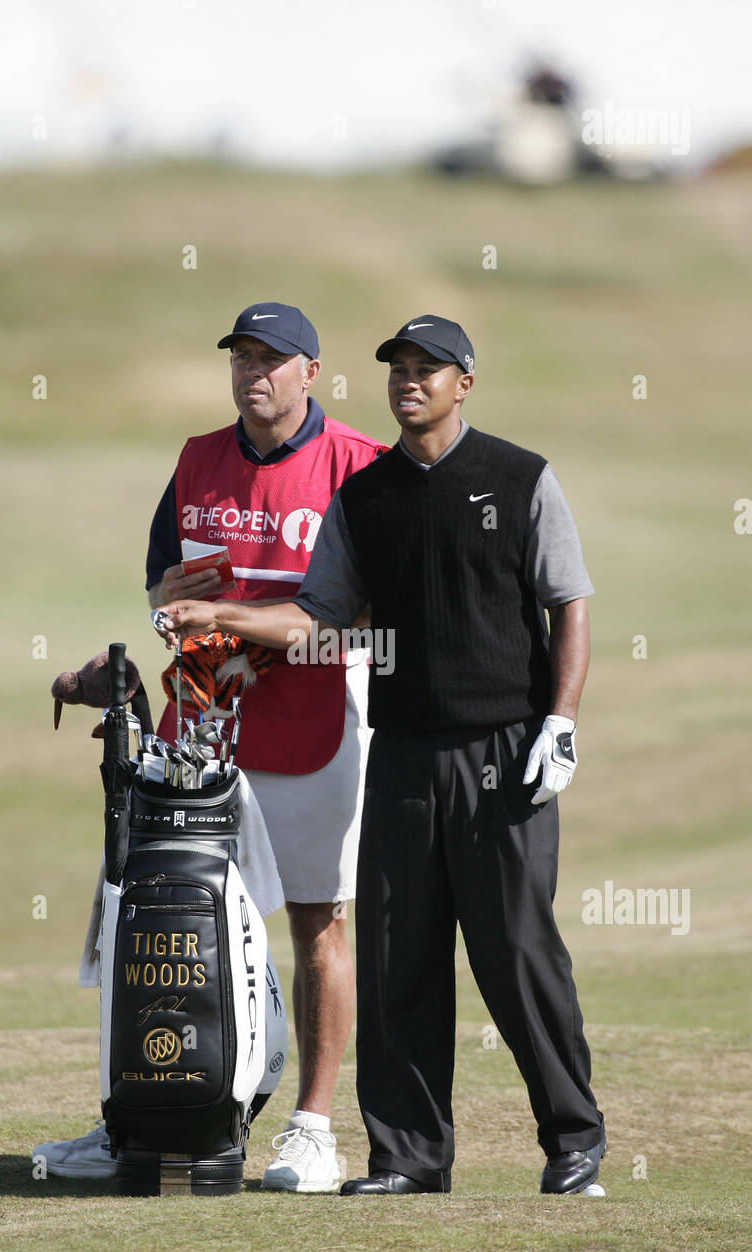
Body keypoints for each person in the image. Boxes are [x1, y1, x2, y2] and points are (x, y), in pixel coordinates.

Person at [155, 313, 606, 1197]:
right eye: (398, 368)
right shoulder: (365, 496)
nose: (409, 381)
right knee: (399, 954)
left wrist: (562, 720)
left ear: (462, 383)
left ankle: (574, 1141)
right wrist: (230, 626)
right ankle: (408, 1157)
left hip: (503, 749)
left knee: (515, 951)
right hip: (400, 749)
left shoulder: (520, 478)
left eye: (427, 369)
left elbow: (571, 602)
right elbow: (322, 619)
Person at [34, 303, 384, 1194]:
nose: (252, 372)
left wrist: (245, 628)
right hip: (197, 721)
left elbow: (371, 623)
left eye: (272, 358)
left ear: (312, 370)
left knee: (316, 924)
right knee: (151, 920)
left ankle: (312, 1130)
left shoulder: (357, 465)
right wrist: (168, 603)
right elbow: (162, 584)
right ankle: (141, 1121)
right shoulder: (198, 460)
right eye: (241, 357)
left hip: (315, 725)